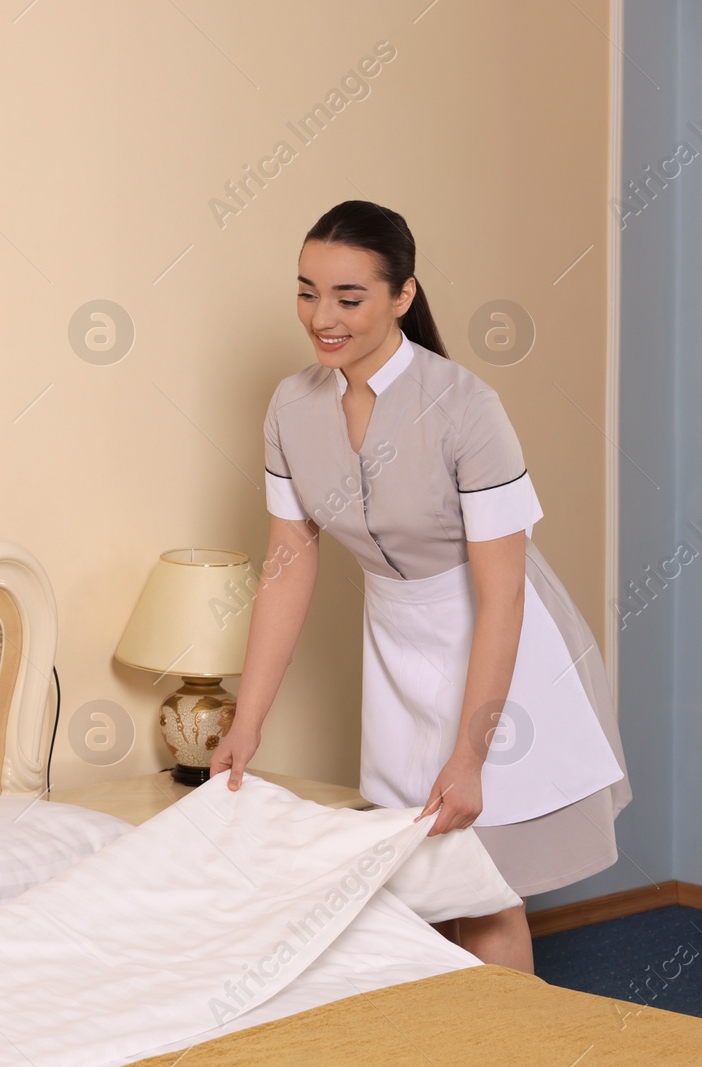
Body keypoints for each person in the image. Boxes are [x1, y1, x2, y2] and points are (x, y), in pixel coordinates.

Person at [210, 199, 630, 973]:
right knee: (424, 895)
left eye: (348, 297)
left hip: (502, 650)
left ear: (403, 295)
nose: (321, 317)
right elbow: (287, 564)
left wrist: (472, 752)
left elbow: (501, 592)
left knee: (485, 892)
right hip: (397, 649)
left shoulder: (466, 407)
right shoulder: (291, 407)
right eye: (306, 291)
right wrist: (249, 719)